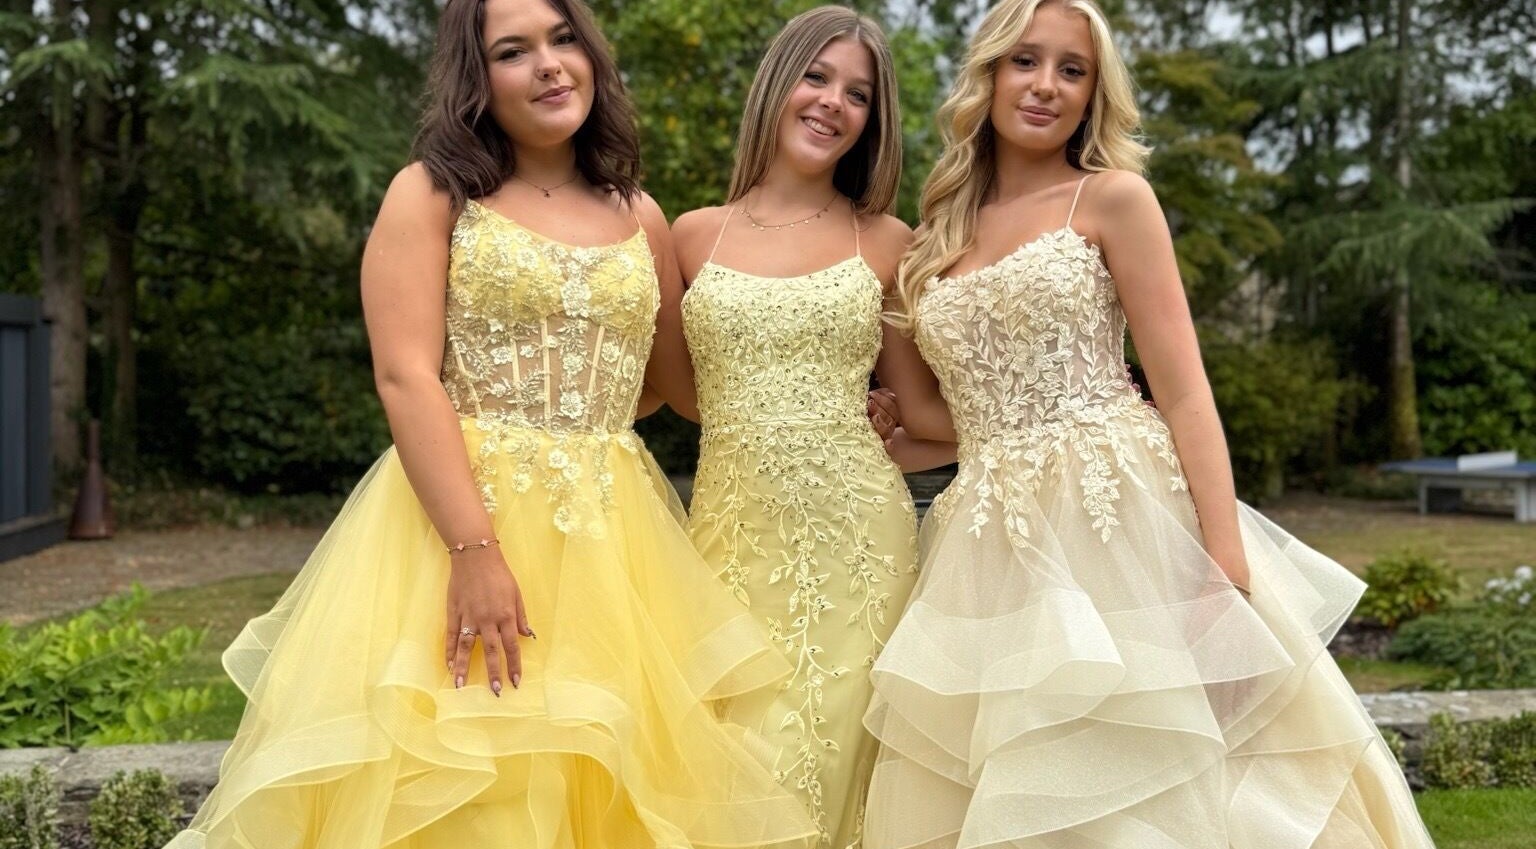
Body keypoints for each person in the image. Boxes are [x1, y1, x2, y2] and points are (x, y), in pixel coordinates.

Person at [166, 0, 817, 845]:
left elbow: (674, 389)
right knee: (481, 786)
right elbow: (405, 376)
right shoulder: (432, 194)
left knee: (606, 774)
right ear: (478, 78)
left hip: (615, 546)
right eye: (514, 51)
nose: (548, 64)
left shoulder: (640, 215)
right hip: (464, 524)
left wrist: (833, 384)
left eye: (563, 39)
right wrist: (473, 550)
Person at [863, 1, 1438, 846]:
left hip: (1122, 523)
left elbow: (1186, 392)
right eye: (1026, 61)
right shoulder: (931, 239)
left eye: (1072, 70)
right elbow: (949, 420)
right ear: (988, 72)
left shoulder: (1112, 199)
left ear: (1094, 95)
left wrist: (1224, 568)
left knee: (1171, 778)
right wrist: (886, 429)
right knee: (1029, 785)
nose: (1046, 85)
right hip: (988, 542)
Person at [658, 7, 920, 845]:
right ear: (778, 83)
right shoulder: (691, 236)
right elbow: (683, 395)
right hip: (730, 541)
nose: (833, 102)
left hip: (860, 547)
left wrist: (884, 415)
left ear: (872, 121)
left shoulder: (889, 240)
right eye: (817, 77)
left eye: (858, 94)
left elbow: (924, 411)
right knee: (731, 758)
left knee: (840, 763)